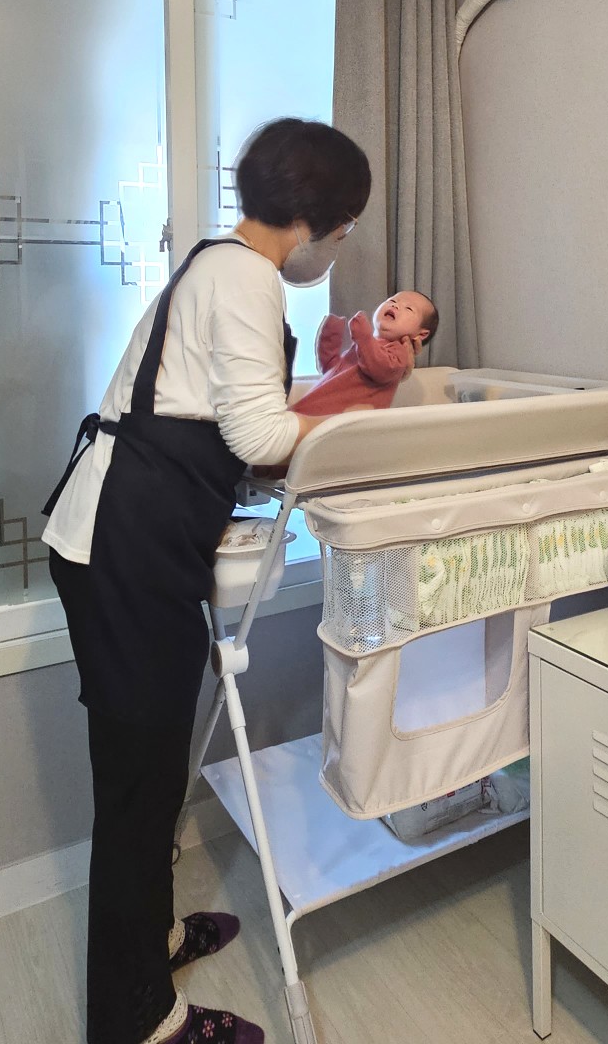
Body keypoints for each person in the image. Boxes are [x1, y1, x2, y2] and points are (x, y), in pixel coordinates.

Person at [40, 117, 371, 1044]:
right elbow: (260, 435)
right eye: (345, 227)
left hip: (124, 541)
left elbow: (219, 423)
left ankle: (151, 942)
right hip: (124, 547)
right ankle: (138, 1018)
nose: (340, 245)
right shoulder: (244, 277)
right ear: (316, 219)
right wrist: (358, 422)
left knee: (148, 772)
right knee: (139, 787)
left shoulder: (218, 266)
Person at [292, 291, 437, 416]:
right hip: (312, 411)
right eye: (392, 301)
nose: (395, 305)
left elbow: (381, 368)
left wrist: (364, 337)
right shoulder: (365, 347)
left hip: (338, 424)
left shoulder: (398, 352)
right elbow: (332, 371)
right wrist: (330, 338)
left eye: (409, 308)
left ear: (421, 334)